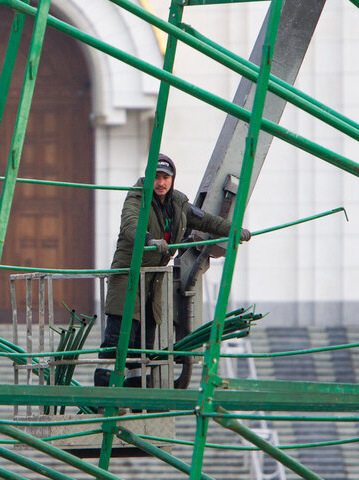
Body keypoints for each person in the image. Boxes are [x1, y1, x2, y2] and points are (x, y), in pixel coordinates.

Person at [94, 154, 251, 388]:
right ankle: (102, 400)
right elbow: (130, 225)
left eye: (166, 177)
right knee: (115, 346)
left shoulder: (178, 203)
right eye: (156, 177)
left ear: (172, 179)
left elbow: (206, 221)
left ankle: (136, 401)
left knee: (142, 349)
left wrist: (234, 230)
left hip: (152, 286)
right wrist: (149, 239)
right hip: (128, 282)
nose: (161, 183)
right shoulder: (137, 198)